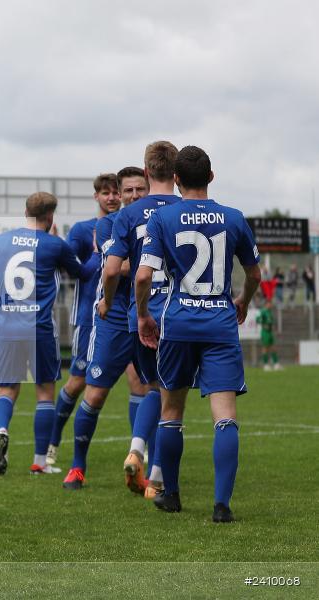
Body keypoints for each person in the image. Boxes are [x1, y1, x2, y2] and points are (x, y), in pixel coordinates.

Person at [136, 145, 261, 522]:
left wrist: (143, 315)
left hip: (178, 324)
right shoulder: (234, 217)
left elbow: (143, 275)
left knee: (171, 411)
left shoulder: (162, 218)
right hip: (220, 323)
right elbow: (254, 274)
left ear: (176, 180)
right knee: (225, 416)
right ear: (211, 176)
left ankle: (171, 495)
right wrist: (242, 301)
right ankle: (222, 505)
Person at [0, 191, 95, 477]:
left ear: (26, 212)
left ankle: (2, 430)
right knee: (44, 393)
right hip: (40, 327)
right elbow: (83, 274)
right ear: (50, 216)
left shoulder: (1, 241)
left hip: (7, 327)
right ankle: (40, 461)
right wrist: (97, 253)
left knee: (7, 389)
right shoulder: (54, 245)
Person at [61, 165, 155, 490]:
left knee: (145, 389)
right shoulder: (107, 224)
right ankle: (77, 466)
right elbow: (121, 267)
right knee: (95, 392)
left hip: (149, 313)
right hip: (113, 316)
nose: (132, 195)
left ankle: (145, 464)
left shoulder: (158, 219)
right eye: (127, 190)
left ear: (148, 189)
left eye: (138, 190)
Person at [103, 142, 181, 498]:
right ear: (176, 173)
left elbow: (111, 269)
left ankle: (137, 447)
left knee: (150, 387)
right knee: (172, 399)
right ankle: (158, 479)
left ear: (147, 173)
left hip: (143, 315)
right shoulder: (187, 208)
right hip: (181, 314)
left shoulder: (129, 215)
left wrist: (107, 300)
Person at [47, 172, 122, 466]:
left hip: (126, 319)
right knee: (77, 383)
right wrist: (94, 254)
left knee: (140, 383)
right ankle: (52, 444)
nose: (112, 197)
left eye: (116, 192)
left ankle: (141, 453)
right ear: (97, 197)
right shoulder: (81, 231)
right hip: (90, 318)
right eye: (106, 193)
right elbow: (72, 271)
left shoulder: (130, 225)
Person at [256, 298, 280, 370]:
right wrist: (263, 323)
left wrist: (274, 330)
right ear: (267, 304)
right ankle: (266, 365)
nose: (271, 305)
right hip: (265, 332)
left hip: (270, 332)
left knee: (273, 347)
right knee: (265, 348)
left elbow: (271, 322)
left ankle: (276, 364)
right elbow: (257, 319)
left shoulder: (270, 312)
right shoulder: (263, 311)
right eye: (270, 303)